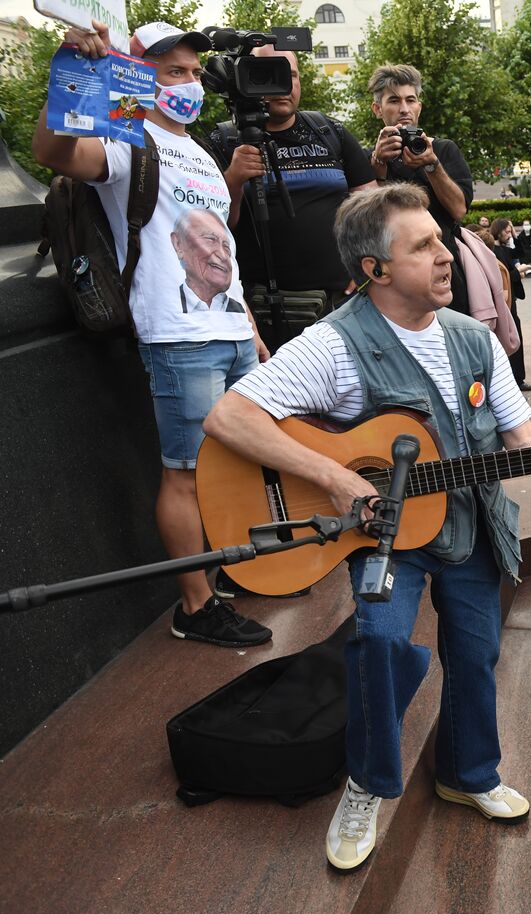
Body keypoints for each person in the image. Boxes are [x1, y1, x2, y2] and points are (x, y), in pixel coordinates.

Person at [202, 183, 531, 869]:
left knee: (476, 654)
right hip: (381, 531)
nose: (445, 255)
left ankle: (467, 771)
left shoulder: (474, 337)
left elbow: (520, 435)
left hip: (470, 521)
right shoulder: (332, 343)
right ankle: (367, 782)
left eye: (440, 239)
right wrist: (335, 476)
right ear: (373, 269)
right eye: (422, 247)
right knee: (381, 641)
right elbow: (228, 418)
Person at [34, 20, 271, 646]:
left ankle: (228, 573)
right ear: (141, 78)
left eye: (195, 73)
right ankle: (195, 606)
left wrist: (244, 319)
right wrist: (72, 72)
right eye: (174, 73)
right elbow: (55, 154)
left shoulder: (197, 149)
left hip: (229, 327)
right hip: (176, 333)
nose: (190, 84)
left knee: (237, 463)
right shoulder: (125, 137)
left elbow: (218, 235)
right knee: (185, 474)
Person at [211, 46, 376, 330]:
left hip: (342, 304)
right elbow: (214, 228)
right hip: (265, 311)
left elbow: (373, 207)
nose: (284, 86)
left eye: (292, 76)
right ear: (246, 79)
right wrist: (234, 178)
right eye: (270, 74)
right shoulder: (224, 141)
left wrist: (366, 266)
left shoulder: (329, 131)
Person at [366, 65, 475, 313]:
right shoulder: (368, 160)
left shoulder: (444, 150)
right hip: (392, 278)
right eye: (394, 100)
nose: (404, 108)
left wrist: (432, 165)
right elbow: (368, 221)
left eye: (410, 100)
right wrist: (378, 165)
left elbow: (459, 210)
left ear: (419, 107)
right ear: (377, 109)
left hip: (444, 271)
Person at [487, 217, 531, 391]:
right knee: (512, 337)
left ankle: (519, 378)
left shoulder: (505, 248)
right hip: (506, 300)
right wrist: (517, 272)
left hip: (511, 298)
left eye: (510, 230)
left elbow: (519, 253)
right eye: (506, 230)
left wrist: (514, 234)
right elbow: (504, 277)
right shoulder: (497, 251)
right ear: (498, 231)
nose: (509, 233)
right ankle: (516, 379)